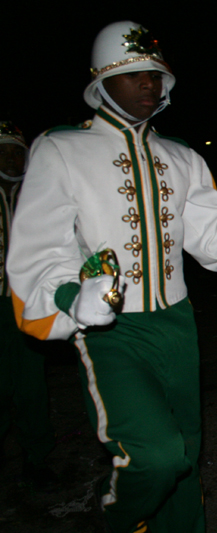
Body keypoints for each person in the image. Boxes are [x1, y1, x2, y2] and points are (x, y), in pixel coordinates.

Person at [7, 21, 217, 533]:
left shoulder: (180, 155)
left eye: (157, 74)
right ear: (101, 83)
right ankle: (113, 520)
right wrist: (74, 297)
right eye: (135, 73)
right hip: (113, 331)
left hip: (177, 324)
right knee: (155, 456)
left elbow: (212, 241)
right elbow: (40, 248)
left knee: (184, 454)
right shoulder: (60, 149)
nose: (149, 84)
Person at [0, 122, 57, 489]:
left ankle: (38, 461)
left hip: (30, 300)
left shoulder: (37, 193)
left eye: (18, 150)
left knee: (33, 388)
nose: (13, 157)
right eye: (4, 151)